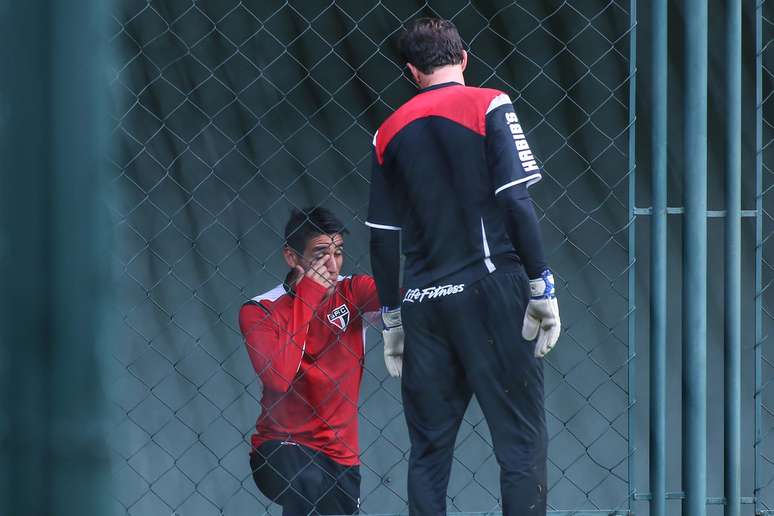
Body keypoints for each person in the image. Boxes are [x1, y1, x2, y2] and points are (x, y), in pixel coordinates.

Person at [367, 18, 561, 516]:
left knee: (428, 453)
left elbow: (383, 237)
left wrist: (392, 318)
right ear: (465, 58)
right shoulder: (489, 103)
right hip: (493, 290)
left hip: (423, 305)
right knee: (519, 444)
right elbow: (516, 201)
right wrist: (542, 286)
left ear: (411, 71)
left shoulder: (386, 132)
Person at [239, 207, 393, 515]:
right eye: (321, 254)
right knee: (307, 480)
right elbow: (278, 379)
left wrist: (398, 319)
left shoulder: (353, 290)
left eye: (338, 253)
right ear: (292, 258)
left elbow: (409, 300)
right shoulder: (260, 310)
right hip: (281, 448)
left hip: (341, 458)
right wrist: (308, 292)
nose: (332, 265)